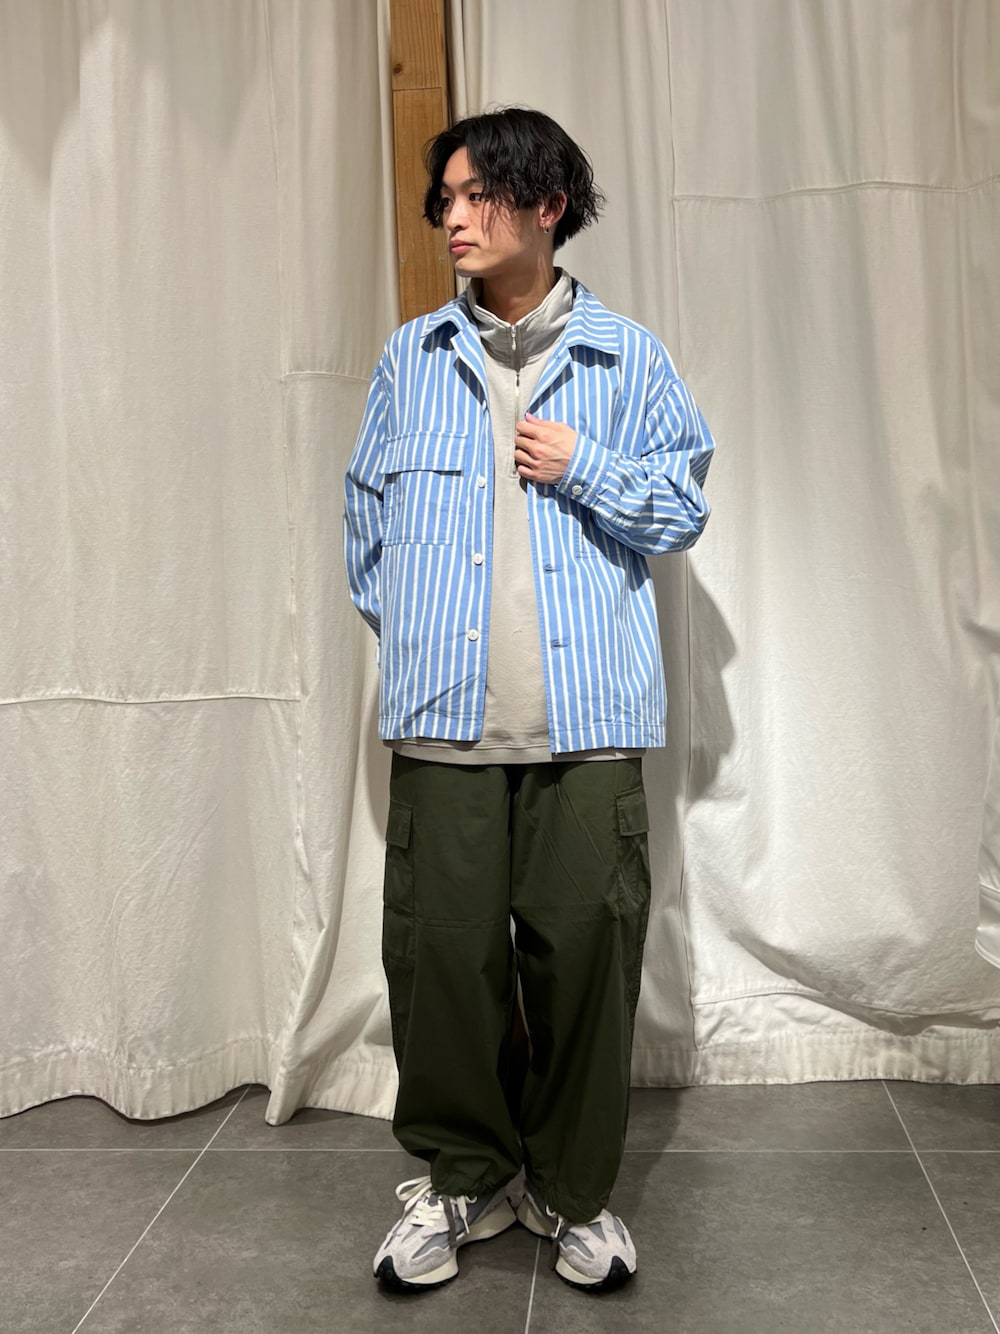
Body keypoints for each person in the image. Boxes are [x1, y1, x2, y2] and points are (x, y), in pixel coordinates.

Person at [343, 107, 714, 1294]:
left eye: (477, 195)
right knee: (442, 965)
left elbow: (683, 508)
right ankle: (462, 1175)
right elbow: (365, 524)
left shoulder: (628, 358)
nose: (452, 218)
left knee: (585, 965)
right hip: (444, 724)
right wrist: (424, 640)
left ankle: (571, 1190)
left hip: (587, 728)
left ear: (545, 205)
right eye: (443, 198)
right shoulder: (411, 358)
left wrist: (584, 464)